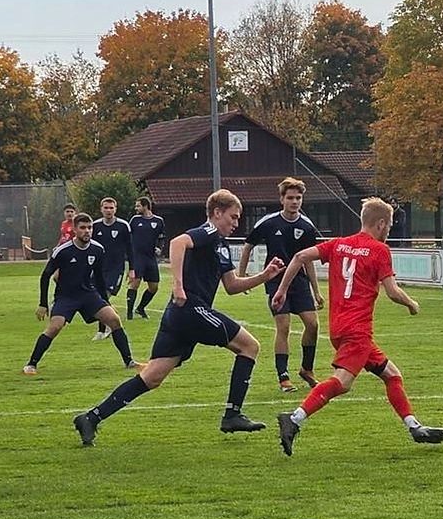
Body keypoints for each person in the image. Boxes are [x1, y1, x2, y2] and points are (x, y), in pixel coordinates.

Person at [72, 189, 285, 446]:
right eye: (233, 217)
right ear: (217, 213)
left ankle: (91, 418)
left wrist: (265, 276)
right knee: (250, 346)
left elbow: (231, 285)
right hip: (190, 309)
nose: (236, 223)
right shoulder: (207, 232)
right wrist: (178, 284)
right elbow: (177, 243)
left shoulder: (220, 244)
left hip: (180, 316)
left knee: (152, 377)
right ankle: (232, 414)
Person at [273, 197, 443, 456]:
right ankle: (294, 418)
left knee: (391, 374)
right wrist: (412, 303)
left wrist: (281, 291)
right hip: (358, 330)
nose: (389, 231)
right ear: (380, 224)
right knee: (342, 383)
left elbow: (299, 256)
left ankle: (414, 426)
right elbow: (392, 291)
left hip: (338, 328)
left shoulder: (340, 244)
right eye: (389, 226)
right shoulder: (379, 250)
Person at [23, 213, 142, 374]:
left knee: (114, 320)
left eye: (90, 227)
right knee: (54, 327)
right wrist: (43, 304)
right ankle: (31, 364)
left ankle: (129, 362)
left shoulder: (97, 249)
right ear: (74, 229)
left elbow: (99, 279)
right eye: (83, 228)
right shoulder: (63, 251)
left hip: (88, 295)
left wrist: (106, 301)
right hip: (66, 297)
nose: (87, 231)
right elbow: (46, 276)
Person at [238, 177, 324, 393]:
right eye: (291, 198)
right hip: (275, 281)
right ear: (282, 199)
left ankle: (307, 369)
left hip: (300, 282)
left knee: (313, 325)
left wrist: (316, 290)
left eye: (298, 198)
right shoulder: (269, 222)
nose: (295, 202)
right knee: (283, 327)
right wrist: (241, 276)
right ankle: (283, 376)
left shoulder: (306, 226)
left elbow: (308, 259)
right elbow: (247, 246)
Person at [90, 197, 133, 341]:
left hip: (116, 268)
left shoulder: (123, 226)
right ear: (101, 209)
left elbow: (130, 248)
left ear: (115, 209)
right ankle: (110, 322)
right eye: (106, 208)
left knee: (103, 297)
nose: (108, 210)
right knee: (97, 297)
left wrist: (132, 269)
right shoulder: (95, 226)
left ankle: (104, 328)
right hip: (98, 268)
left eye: (111, 208)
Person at [126, 196, 165, 320]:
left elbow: (162, 237)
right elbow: (128, 236)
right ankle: (129, 314)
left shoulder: (158, 221)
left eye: (138, 206)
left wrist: (159, 247)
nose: (136, 208)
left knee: (154, 287)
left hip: (150, 258)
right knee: (135, 283)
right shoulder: (135, 220)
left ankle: (140, 308)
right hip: (137, 257)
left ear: (145, 206)